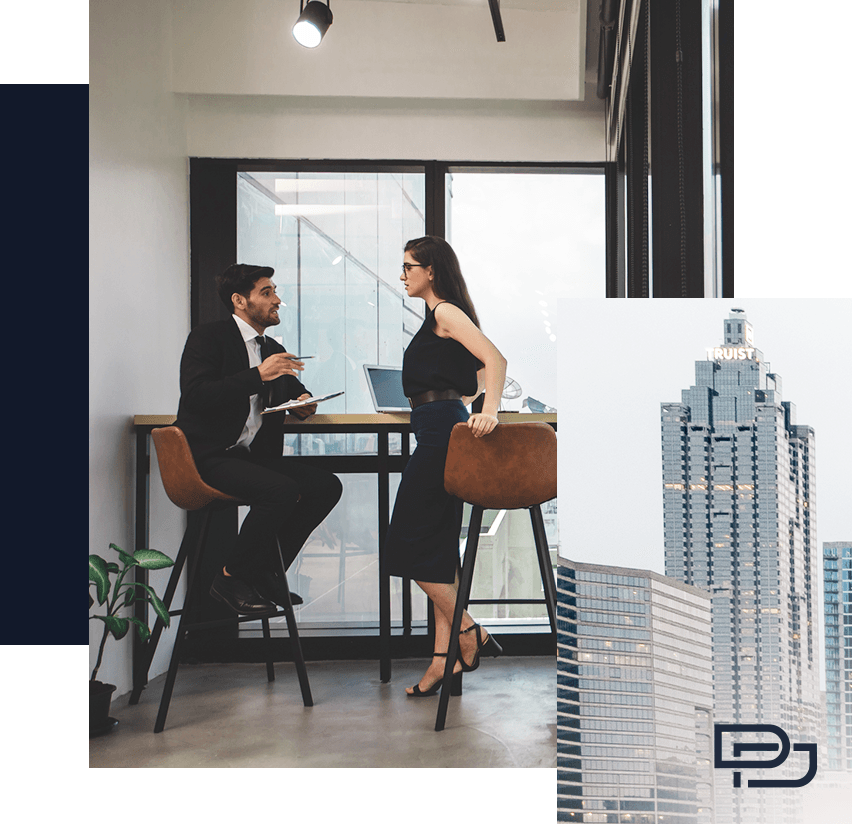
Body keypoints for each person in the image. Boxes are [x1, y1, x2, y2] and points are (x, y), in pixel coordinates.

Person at [175, 264, 342, 615]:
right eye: (267, 293)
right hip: (206, 457)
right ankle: (230, 576)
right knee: (279, 491)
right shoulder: (208, 338)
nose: (277, 300)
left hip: (246, 458)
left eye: (274, 291)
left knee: (326, 485)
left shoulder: (273, 347)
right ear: (239, 301)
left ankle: (266, 572)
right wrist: (257, 375)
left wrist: (303, 404)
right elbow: (195, 395)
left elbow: (295, 391)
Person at [384, 236, 508, 697]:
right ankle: (442, 662)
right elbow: (472, 376)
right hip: (440, 425)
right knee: (436, 551)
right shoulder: (440, 318)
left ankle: (469, 630)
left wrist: (489, 410)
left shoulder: (445, 312)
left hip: (440, 435)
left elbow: (495, 360)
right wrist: (466, 402)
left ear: (431, 270)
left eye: (409, 267)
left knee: (405, 545)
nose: (403, 275)